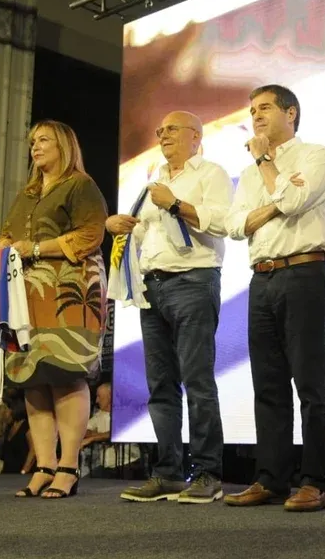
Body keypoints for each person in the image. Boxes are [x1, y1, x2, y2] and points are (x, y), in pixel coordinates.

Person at [223, 85, 325, 512]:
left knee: (309, 382)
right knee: (267, 384)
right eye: (252, 110)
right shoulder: (249, 172)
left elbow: (293, 200)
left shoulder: (315, 155)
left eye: (265, 107)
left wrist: (266, 165)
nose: (256, 116)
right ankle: (270, 478)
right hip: (262, 278)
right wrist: (275, 203)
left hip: (303, 272)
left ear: (291, 113)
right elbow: (235, 226)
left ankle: (315, 481)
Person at [111, 111, 233, 504]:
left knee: (197, 381)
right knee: (160, 386)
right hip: (153, 287)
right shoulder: (154, 179)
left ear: (196, 136)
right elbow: (149, 233)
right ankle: (168, 474)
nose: (163, 134)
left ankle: (208, 473)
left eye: (172, 129)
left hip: (193, 282)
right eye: (160, 130)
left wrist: (177, 204)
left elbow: (222, 223)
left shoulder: (211, 173)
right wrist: (124, 227)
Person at [0, 119, 109, 499]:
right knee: (34, 378)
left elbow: (91, 234)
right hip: (28, 294)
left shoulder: (80, 185)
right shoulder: (27, 193)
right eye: (32, 141)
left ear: (63, 145)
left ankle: (68, 467)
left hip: (69, 293)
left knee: (65, 374)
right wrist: (4, 244)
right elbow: (10, 232)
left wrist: (36, 248)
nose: (35, 147)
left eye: (43, 140)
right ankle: (44, 465)